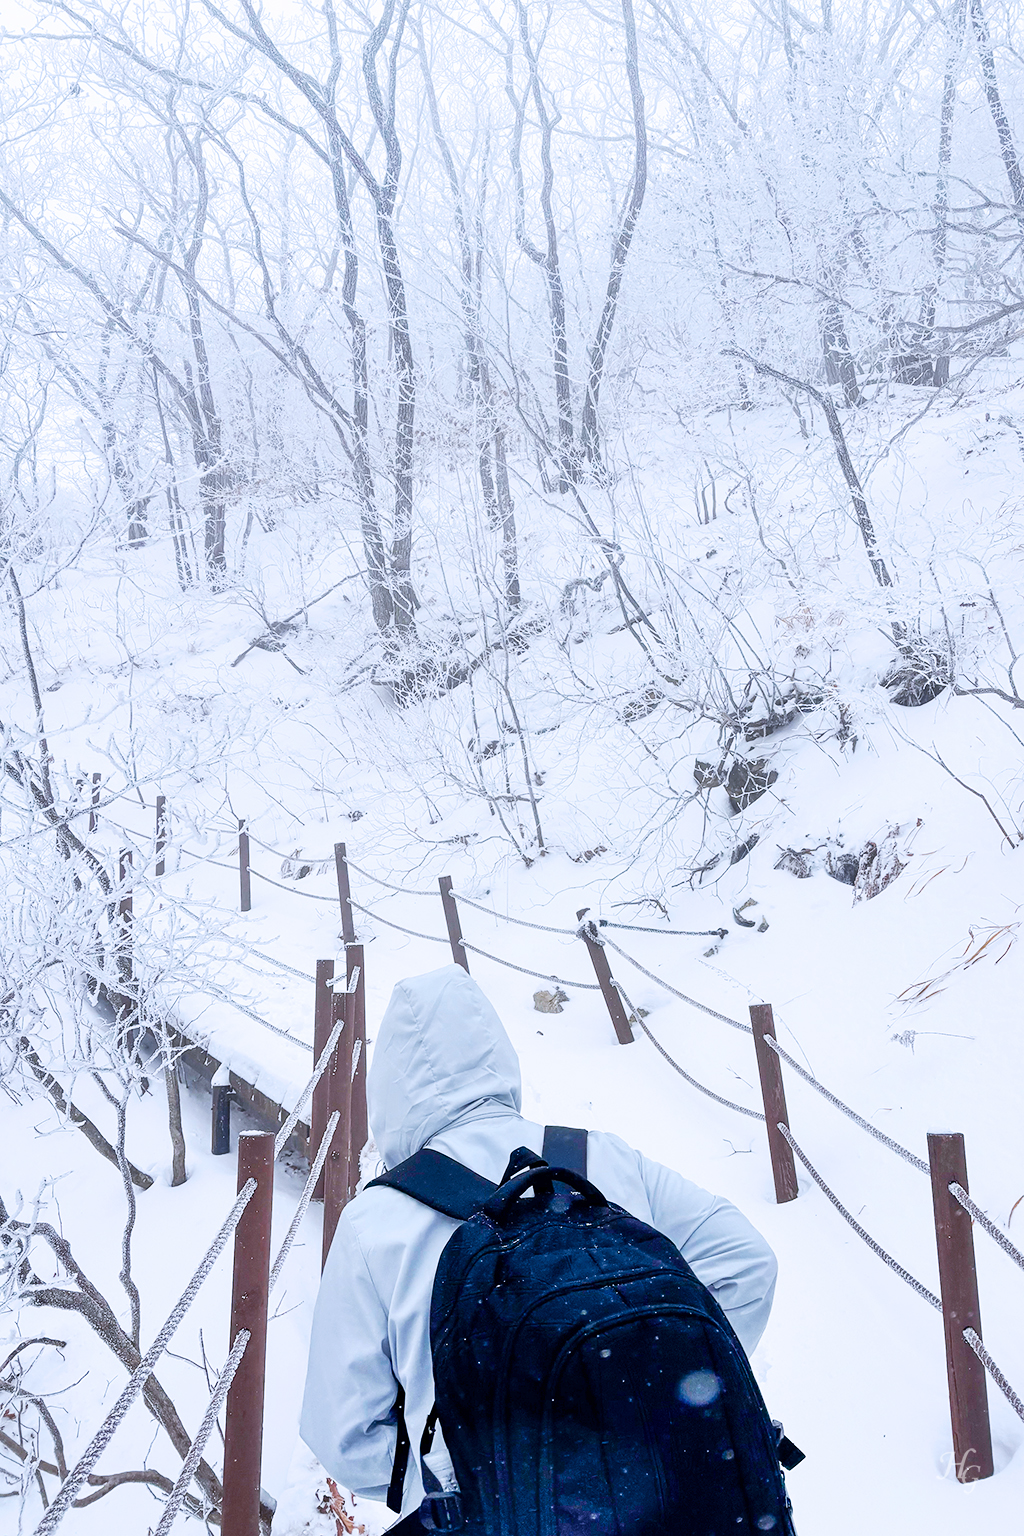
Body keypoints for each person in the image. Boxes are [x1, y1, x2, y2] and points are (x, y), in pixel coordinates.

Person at [300, 964, 778, 1518]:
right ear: (497, 1054)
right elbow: (747, 1265)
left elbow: (344, 1434)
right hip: (664, 1502)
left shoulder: (373, 1222)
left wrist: (473, 1475)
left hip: (482, 1517)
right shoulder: (600, 1158)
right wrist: (665, 1394)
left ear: (387, 1091)